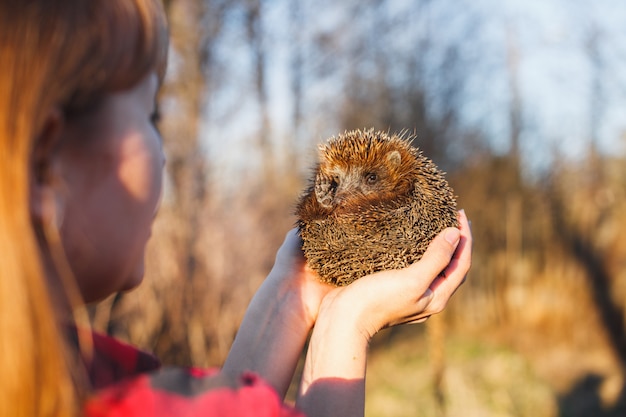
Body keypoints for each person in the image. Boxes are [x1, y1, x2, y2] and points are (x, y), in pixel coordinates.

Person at [0, 0, 473, 416]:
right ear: (45, 163)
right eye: (150, 115)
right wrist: (347, 323)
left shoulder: (88, 377)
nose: (162, 151)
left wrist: (293, 296)